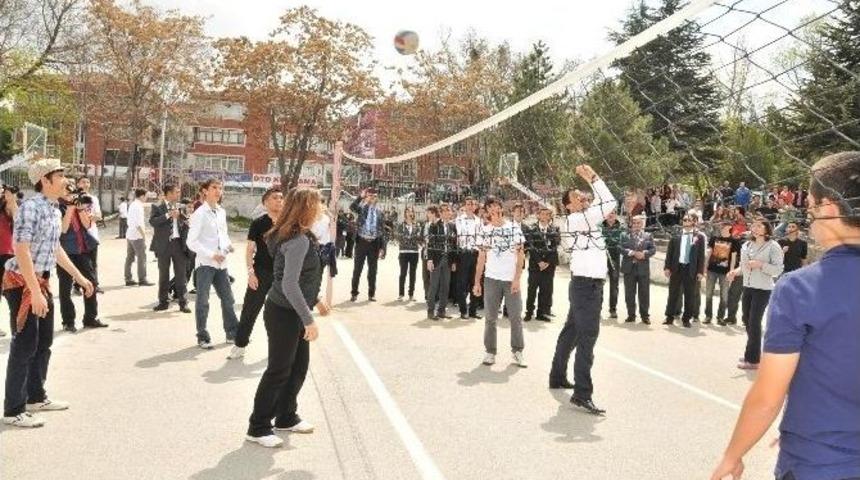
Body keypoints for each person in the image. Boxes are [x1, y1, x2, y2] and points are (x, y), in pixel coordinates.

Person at [710, 151, 860, 480]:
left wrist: (733, 455)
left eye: (810, 209)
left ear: (828, 209)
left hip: (819, 463)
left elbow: (768, 395)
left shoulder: (801, 288)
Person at [2, 158, 95, 428]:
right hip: (22, 283)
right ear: (45, 180)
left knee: (43, 342)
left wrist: (80, 278)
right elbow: (21, 249)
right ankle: (13, 409)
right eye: (60, 175)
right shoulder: (31, 208)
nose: (66, 180)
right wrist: (34, 291)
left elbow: (55, 249)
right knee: (24, 344)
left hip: (40, 282)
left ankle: (35, 396)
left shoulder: (54, 209)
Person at [245, 187, 331, 448]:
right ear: (307, 208)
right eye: (317, 204)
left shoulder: (298, 235)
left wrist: (315, 298)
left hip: (292, 309)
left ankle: (285, 416)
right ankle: (258, 427)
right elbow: (289, 285)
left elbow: (298, 277)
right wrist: (309, 320)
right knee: (279, 370)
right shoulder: (297, 240)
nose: (321, 208)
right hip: (284, 312)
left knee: (298, 367)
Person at [548, 165, 617, 415]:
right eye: (577, 197)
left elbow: (604, 202)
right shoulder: (577, 219)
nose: (582, 197)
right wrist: (593, 178)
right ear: (568, 205)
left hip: (587, 285)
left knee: (572, 332)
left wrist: (591, 183)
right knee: (587, 337)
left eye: (582, 194)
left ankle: (557, 376)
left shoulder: (585, 217)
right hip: (586, 286)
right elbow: (609, 202)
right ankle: (582, 393)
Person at [228, 188, 283, 360]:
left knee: (280, 313)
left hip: (282, 275)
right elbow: (249, 250)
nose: (279, 200)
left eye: (281, 198)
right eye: (274, 198)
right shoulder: (258, 223)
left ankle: (280, 348)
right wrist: (251, 273)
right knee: (250, 309)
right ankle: (240, 344)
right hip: (261, 273)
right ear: (265, 202)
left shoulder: (288, 222)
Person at [472, 196, 526, 367]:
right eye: (490, 207)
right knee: (490, 318)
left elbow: (521, 256)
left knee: (515, 317)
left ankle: (517, 351)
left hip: (510, 280)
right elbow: (481, 258)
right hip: (491, 279)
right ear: (487, 212)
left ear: (501, 208)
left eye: (496, 206)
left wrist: (517, 279)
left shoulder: (514, 228)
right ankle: (490, 352)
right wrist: (477, 282)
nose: (494, 210)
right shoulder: (485, 230)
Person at [186, 178, 239, 349]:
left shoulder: (221, 212)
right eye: (214, 187)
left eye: (220, 188)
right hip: (205, 264)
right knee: (203, 301)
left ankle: (232, 334)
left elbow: (223, 235)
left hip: (221, 265)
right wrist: (211, 255)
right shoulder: (199, 214)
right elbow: (191, 242)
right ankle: (202, 336)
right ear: (205, 191)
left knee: (228, 299)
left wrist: (228, 246)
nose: (218, 191)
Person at [728, 218, 783, 370]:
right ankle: (754, 352)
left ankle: (752, 360)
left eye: (759, 226)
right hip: (748, 287)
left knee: (754, 322)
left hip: (763, 289)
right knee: (746, 319)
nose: (756, 228)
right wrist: (734, 272)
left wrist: (761, 265)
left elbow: (778, 270)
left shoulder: (773, 246)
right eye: (754, 225)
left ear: (766, 229)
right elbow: (743, 267)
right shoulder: (746, 245)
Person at [57, 185, 107, 332]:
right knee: (65, 288)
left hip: (82, 250)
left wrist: (80, 210)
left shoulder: (79, 205)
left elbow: (87, 225)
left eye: (73, 193)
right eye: (68, 193)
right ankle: (68, 321)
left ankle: (90, 318)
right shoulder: (57, 207)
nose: (71, 196)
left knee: (91, 282)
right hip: (64, 253)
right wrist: (70, 209)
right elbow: (63, 229)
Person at [149, 184, 191, 313]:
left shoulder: (182, 207)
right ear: (168, 193)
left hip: (179, 245)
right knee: (163, 275)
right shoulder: (157, 207)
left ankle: (183, 303)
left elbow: (188, 222)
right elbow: (153, 222)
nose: (178, 194)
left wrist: (181, 217)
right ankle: (163, 302)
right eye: (176, 192)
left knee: (181, 275)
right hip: (163, 246)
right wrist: (168, 215)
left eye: (178, 192)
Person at [663, 213, 706, 328]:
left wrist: (700, 271)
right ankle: (669, 317)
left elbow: (701, 256)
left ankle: (686, 319)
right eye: (684, 220)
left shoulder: (699, 237)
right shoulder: (676, 235)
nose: (686, 222)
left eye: (688, 220)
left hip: (690, 269)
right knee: (673, 293)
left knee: (689, 295)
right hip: (676, 268)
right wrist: (667, 267)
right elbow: (669, 253)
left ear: (693, 222)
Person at [349, 188, 386, 302]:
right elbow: (352, 207)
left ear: (377, 198)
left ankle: (371, 294)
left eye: (374, 196)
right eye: (370, 196)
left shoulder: (380, 212)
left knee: (373, 271)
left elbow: (382, 231)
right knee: (357, 269)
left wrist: (383, 247)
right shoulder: (362, 208)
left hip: (374, 243)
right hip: (362, 242)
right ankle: (354, 293)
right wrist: (360, 197)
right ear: (366, 197)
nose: (372, 198)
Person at [524, 206, 560, 322]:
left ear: (550, 216)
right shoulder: (531, 229)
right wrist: (539, 261)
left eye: (547, 214)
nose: (544, 216)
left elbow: (555, 247)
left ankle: (541, 313)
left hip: (549, 266)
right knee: (532, 290)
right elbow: (531, 247)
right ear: (538, 215)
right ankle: (529, 312)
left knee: (546, 290)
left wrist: (547, 262)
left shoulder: (555, 229)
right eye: (542, 214)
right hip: (535, 265)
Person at [620, 214, 655, 324]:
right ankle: (631, 315)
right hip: (629, 269)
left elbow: (653, 249)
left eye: (638, 223)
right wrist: (632, 253)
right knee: (629, 293)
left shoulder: (648, 236)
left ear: (642, 224)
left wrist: (644, 254)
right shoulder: (624, 235)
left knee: (644, 293)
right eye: (634, 223)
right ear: (631, 224)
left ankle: (645, 316)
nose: (636, 225)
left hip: (643, 269)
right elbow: (620, 247)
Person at [426, 204, 457, 320]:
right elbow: (430, 244)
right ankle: (430, 311)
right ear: (441, 212)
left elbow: (454, 244)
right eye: (445, 211)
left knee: (445, 286)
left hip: (448, 259)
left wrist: (453, 261)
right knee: (434, 285)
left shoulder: (452, 226)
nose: (448, 212)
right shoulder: (434, 225)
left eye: (449, 210)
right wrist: (429, 260)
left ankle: (441, 311)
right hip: (436, 259)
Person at [704, 223, 740, 324]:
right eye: (721, 226)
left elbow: (733, 258)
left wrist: (731, 272)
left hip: (725, 273)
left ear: (729, 227)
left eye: (724, 225)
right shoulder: (714, 238)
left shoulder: (734, 241)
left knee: (724, 296)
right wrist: (705, 266)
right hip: (711, 270)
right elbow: (709, 253)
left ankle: (720, 317)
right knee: (708, 294)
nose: (721, 227)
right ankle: (708, 316)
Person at [454, 197, 482, 319]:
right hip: (464, 253)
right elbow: (460, 235)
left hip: (476, 253)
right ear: (465, 206)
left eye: (472, 204)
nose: (470, 206)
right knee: (462, 283)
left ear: (475, 206)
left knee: (475, 282)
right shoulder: (459, 220)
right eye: (468, 204)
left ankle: (473, 311)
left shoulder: (479, 221)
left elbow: (480, 237)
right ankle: (463, 310)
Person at [0, 185, 20, 337]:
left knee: (12, 293)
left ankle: (17, 328)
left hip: (9, 255)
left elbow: (19, 223)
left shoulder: (12, 206)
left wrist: (12, 202)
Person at [124, 189, 152, 287]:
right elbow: (138, 224)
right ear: (142, 196)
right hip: (137, 236)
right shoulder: (138, 206)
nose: (147, 198)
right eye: (146, 196)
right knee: (142, 258)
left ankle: (128, 278)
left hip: (130, 234)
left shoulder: (132, 204)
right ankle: (142, 279)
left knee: (129, 258)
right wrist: (144, 236)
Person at [396, 207, 422, 302]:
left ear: (413, 213)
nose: (409, 213)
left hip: (414, 252)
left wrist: (409, 239)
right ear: (405, 213)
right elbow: (399, 237)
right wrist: (412, 239)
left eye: (411, 211)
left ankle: (411, 294)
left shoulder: (417, 225)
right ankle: (401, 294)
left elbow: (418, 238)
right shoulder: (401, 225)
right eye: (407, 211)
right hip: (403, 252)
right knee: (403, 273)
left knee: (412, 274)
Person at [601, 210, 623, 319]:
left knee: (614, 284)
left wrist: (607, 240)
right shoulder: (599, 226)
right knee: (599, 283)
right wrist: (611, 241)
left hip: (614, 258)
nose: (610, 214)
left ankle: (613, 309)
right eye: (609, 212)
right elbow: (598, 241)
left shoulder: (621, 227)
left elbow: (621, 241)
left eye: (613, 212)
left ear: (616, 215)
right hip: (600, 257)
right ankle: (597, 308)